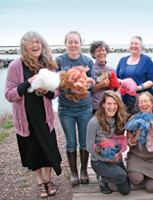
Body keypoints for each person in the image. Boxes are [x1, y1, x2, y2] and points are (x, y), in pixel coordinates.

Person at [5, 31, 62, 198]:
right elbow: (9, 95)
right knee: (33, 151)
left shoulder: (49, 64)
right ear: (25, 46)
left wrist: (46, 91)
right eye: (31, 42)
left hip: (44, 116)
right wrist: (27, 83)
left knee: (48, 149)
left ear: (42, 45)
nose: (36, 45)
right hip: (26, 117)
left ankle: (49, 179)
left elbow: (55, 92)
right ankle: (40, 181)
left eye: (38, 42)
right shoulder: (15, 66)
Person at [56, 31, 94, 186]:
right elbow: (55, 84)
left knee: (84, 142)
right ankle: (73, 173)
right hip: (66, 108)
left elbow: (92, 84)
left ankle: (84, 170)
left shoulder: (87, 61)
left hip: (84, 107)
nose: (73, 45)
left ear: (80, 44)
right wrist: (68, 88)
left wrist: (85, 87)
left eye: (76, 42)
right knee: (71, 142)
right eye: (70, 42)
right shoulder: (59, 61)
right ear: (65, 44)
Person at [86, 90, 130, 195]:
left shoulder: (120, 119)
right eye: (109, 103)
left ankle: (110, 174)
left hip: (115, 157)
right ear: (103, 104)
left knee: (125, 190)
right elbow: (90, 147)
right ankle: (102, 179)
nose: (112, 107)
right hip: (99, 160)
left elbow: (121, 141)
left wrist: (117, 154)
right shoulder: (94, 122)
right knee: (121, 176)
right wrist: (106, 158)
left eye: (115, 104)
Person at [126, 92, 153, 193]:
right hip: (136, 156)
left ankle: (148, 174)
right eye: (140, 102)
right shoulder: (133, 119)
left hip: (152, 158)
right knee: (136, 180)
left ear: (152, 103)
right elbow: (128, 142)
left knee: (151, 189)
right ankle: (136, 171)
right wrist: (137, 136)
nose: (143, 104)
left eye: (146, 101)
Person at [116, 36, 153, 115]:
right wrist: (121, 84)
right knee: (127, 124)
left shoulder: (147, 60)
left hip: (143, 102)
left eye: (136, 44)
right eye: (131, 43)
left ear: (141, 47)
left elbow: (152, 80)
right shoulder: (122, 60)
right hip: (125, 100)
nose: (133, 46)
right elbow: (116, 78)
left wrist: (139, 87)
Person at [89, 41, 116, 115]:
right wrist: (100, 85)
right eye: (98, 51)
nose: (101, 53)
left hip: (110, 107)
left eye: (103, 50)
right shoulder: (91, 69)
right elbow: (87, 91)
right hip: (96, 107)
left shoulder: (112, 69)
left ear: (106, 52)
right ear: (93, 54)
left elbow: (115, 90)